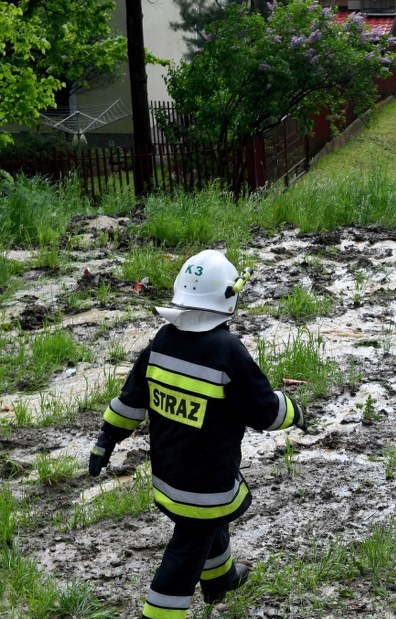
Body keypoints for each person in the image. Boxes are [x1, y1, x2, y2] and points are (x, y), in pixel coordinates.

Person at [87, 249, 307, 618]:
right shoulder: (228, 351)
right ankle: (159, 613)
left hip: (168, 477)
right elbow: (264, 412)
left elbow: (131, 399)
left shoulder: (161, 342)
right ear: (229, 297)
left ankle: (220, 581)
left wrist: (107, 436)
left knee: (204, 526)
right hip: (206, 486)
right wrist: (294, 411)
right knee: (186, 549)